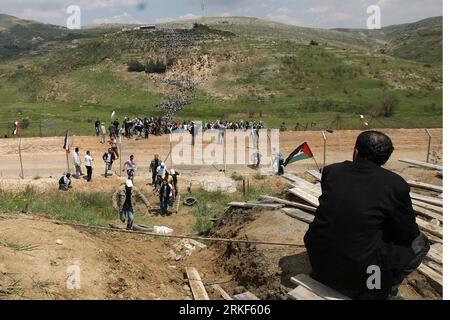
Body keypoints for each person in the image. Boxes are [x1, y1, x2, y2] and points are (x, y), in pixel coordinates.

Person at [304, 131, 430, 300]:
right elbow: (408, 234)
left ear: (356, 152)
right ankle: (380, 289)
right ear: (385, 159)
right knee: (421, 243)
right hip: (362, 274)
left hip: (318, 261)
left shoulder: (331, 172)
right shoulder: (395, 184)